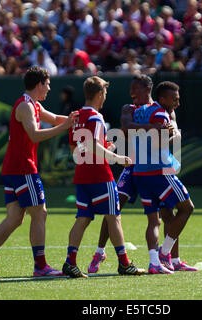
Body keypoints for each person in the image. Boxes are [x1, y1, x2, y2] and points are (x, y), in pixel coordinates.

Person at [0, 66, 78, 278]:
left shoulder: (33, 105)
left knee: (14, 218)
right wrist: (64, 126)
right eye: (47, 84)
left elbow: (56, 117)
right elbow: (35, 135)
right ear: (38, 85)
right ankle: (40, 267)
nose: (49, 88)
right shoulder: (25, 107)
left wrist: (77, 118)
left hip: (14, 168)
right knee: (40, 212)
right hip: (23, 169)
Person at [88, 75, 197, 274]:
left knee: (165, 215)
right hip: (133, 167)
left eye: (135, 89)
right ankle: (100, 251)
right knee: (115, 206)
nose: (131, 93)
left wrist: (170, 134)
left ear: (147, 89)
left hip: (153, 167)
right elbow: (127, 129)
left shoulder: (163, 109)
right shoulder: (129, 109)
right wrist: (157, 131)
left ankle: (174, 259)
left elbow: (175, 133)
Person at [62, 76, 145, 278]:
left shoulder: (77, 116)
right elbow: (92, 146)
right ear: (99, 94)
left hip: (82, 175)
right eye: (105, 93)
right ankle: (124, 263)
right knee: (114, 217)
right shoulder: (96, 117)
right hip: (100, 176)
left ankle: (70, 262)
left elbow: (76, 148)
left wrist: (103, 148)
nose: (105, 97)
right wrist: (115, 157)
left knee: (82, 218)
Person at [131, 81, 196, 274]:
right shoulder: (160, 114)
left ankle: (158, 263)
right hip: (159, 171)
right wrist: (173, 138)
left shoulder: (141, 111)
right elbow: (157, 145)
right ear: (162, 98)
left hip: (140, 171)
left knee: (161, 218)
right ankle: (165, 253)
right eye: (174, 99)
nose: (177, 103)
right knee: (187, 208)